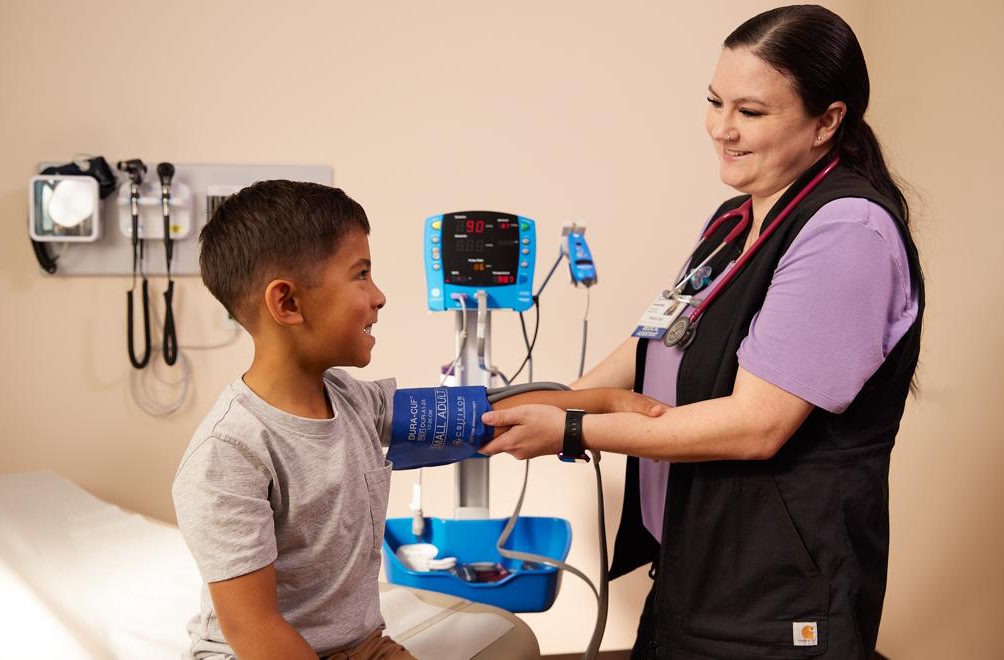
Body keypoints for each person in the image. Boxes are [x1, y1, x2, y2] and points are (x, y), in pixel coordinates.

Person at [480, 5, 924, 659]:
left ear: (828, 120)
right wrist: (553, 399)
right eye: (715, 102)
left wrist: (570, 429)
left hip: (777, 589)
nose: (721, 129)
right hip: (697, 558)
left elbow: (756, 424)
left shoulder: (846, 232)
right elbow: (655, 341)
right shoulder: (732, 219)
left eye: (751, 112)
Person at [171, 180, 662, 660]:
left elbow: (484, 412)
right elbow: (253, 629)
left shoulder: (351, 402)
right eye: (360, 274)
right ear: (289, 303)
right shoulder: (228, 455)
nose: (379, 296)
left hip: (360, 645)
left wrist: (604, 402)